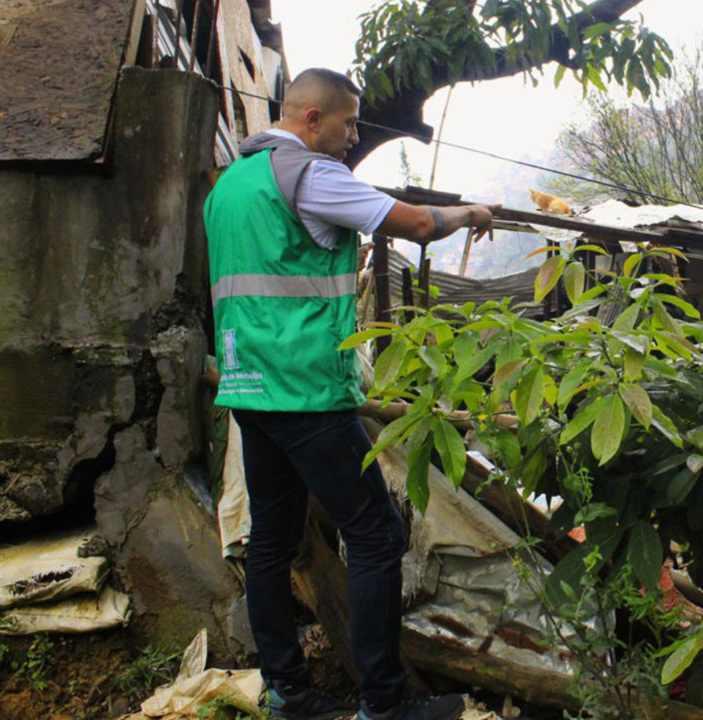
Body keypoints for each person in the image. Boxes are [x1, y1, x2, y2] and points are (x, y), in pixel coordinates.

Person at [204, 68, 496, 720]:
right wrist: (471, 211)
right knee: (375, 534)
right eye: (349, 123)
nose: (353, 135)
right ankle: (384, 706)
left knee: (271, 542)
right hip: (304, 391)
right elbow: (417, 223)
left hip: (248, 389)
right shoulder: (307, 174)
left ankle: (288, 694)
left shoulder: (228, 187)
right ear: (313, 119)